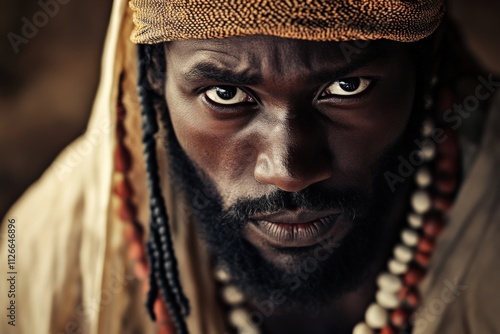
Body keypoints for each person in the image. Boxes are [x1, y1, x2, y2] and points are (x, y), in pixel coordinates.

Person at [1, 1, 499, 334]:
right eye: (226, 95)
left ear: (425, 61)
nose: (287, 169)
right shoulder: (46, 262)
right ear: (153, 73)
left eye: (347, 89)